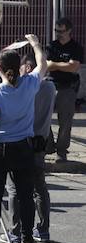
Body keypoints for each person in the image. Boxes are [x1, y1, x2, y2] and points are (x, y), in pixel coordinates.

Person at [0, 34, 48, 243]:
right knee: (26, 194)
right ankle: (28, 241)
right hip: (23, 147)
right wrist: (35, 44)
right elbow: (43, 64)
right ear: (19, 67)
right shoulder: (30, 84)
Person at [2, 52, 56, 243]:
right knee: (40, 188)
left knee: (15, 188)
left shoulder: (26, 87)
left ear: (27, 67)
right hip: (41, 141)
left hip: (22, 141)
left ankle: (15, 231)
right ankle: (43, 229)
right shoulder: (50, 87)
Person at [45, 17, 82, 163]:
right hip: (51, 84)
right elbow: (46, 65)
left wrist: (55, 64)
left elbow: (74, 67)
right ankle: (47, 146)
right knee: (43, 116)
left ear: (69, 31)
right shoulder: (51, 46)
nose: (59, 34)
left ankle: (61, 150)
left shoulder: (76, 47)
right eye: (56, 31)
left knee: (65, 121)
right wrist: (64, 64)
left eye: (62, 31)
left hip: (68, 87)